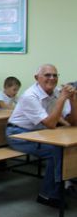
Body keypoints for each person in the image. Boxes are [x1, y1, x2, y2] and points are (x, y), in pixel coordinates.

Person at [6, 64, 77, 208]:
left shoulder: (56, 93)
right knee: (56, 150)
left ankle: (67, 183)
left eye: (55, 75)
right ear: (36, 78)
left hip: (41, 132)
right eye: (47, 75)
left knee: (69, 148)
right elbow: (50, 123)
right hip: (19, 134)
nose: (52, 78)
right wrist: (62, 99)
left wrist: (73, 100)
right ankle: (47, 194)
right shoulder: (30, 95)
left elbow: (73, 122)